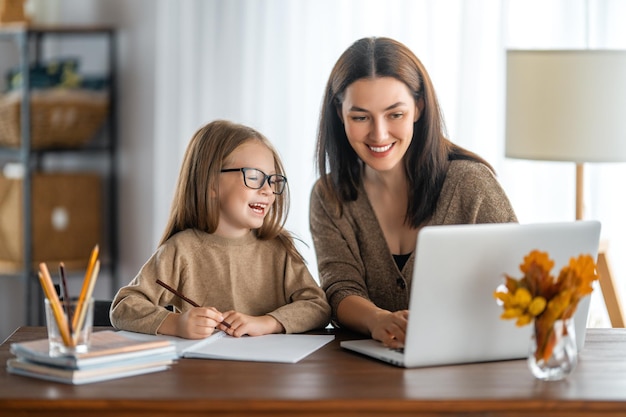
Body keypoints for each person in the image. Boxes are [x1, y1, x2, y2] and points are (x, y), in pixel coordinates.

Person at [309, 37, 517, 348]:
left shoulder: (470, 184)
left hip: (466, 363)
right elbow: (340, 288)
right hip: (366, 371)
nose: (379, 134)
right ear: (340, 114)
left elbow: (519, 279)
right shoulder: (330, 195)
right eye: (360, 117)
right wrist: (378, 320)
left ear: (418, 107)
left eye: (395, 114)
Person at [111, 120, 330, 339]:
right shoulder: (182, 249)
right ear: (211, 184)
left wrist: (266, 323)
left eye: (273, 181)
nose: (268, 191)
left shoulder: (279, 247)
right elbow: (123, 307)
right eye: (254, 177)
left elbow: (318, 307)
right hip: (204, 370)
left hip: (269, 371)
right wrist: (176, 324)